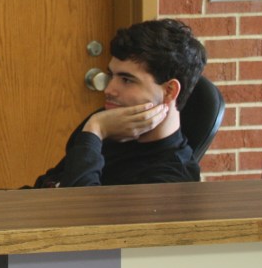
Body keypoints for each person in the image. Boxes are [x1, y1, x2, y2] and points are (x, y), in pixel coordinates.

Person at [32, 18, 207, 188]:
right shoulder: (111, 124)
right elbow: (51, 182)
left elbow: (81, 206)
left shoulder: (172, 178)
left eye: (126, 80)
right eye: (111, 75)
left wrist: (95, 130)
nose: (108, 90)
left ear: (169, 90)